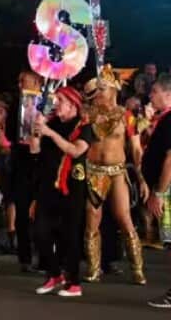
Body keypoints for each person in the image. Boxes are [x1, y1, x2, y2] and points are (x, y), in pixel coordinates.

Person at [82, 66, 147, 284]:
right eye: (97, 89)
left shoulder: (127, 116)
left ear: (114, 90)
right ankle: (94, 268)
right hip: (93, 172)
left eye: (103, 88)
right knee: (92, 218)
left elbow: (136, 150)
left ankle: (137, 268)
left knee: (124, 218)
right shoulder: (88, 114)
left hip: (117, 172)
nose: (99, 92)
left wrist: (142, 178)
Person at [30, 85, 94, 298]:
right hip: (48, 185)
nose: (56, 104)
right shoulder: (52, 123)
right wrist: (36, 134)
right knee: (40, 231)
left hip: (72, 186)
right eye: (55, 100)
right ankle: (54, 274)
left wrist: (49, 133)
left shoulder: (84, 126)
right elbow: (35, 151)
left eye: (61, 100)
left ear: (73, 105)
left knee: (70, 235)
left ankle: (74, 282)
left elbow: (76, 150)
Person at [141, 75, 171, 308]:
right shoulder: (165, 120)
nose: (150, 96)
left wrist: (159, 192)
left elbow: (170, 159)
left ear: (168, 94)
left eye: (154, 92)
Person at [10, 70, 44, 272]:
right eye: (19, 80)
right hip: (22, 163)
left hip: (43, 163)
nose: (20, 84)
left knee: (43, 213)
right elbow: (10, 136)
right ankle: (25, 257)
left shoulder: (49, 103)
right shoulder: (16, 106)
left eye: (24, 80)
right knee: (22, 211)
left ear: (37, 81)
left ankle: (45, 256)